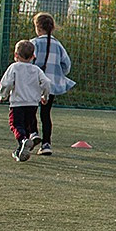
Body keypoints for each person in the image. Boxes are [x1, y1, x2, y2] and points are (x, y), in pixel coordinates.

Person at [0, 38, 51, 162]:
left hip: (17, 103)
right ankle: (19, 151)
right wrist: (45, 96)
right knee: (26, 126)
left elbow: (7, 83)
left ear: (16, 55)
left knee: (15, 125)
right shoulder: (36, 70)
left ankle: (23, 141)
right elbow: (46, 83)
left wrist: (3, 95)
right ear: (33, 56)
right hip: (32, 104)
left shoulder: (14, 67)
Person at [29, 12, 75, 155]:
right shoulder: (58, 45)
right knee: (46, 114)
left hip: (34, 83)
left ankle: (33, 133)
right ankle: (46, 144)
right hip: (51, 84)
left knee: (30, 110)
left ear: (38, 28)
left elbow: (28, 61)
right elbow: (66, 65)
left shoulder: (34, 43)